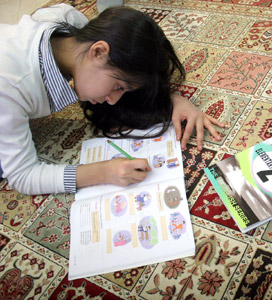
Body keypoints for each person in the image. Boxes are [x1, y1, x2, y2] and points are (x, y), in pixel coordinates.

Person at [0, 4, 223, 195]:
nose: (114, 100)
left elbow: (118, 72)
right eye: (118, 87)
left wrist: (172, 100)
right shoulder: (9, 84)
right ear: (98, 52)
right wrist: (103, 171)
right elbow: (23, 176)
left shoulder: (73, 26)